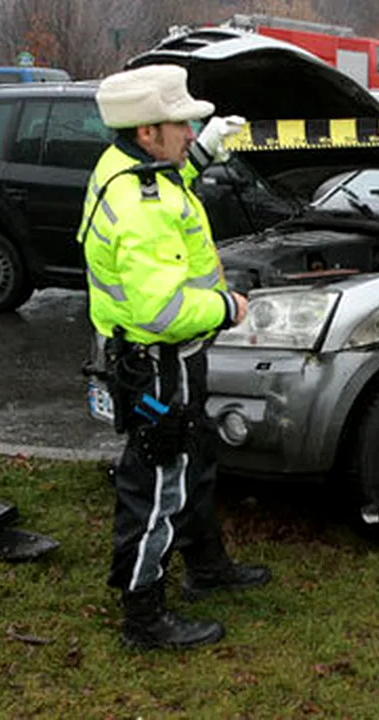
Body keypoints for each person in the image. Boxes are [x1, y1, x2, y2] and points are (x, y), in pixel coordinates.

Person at [80, 65, 271, 649]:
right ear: (146, 132)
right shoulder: (140, 204)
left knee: (194, 457)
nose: (191, 132)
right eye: (183, 124)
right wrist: (226, 308)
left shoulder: (138, 168)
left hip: (170, 359)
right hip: (158, 359)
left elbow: (173, 180)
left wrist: (206, 151)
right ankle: (144, 617)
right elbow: (159, 310)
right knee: (157, 483)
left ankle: (206, 566)